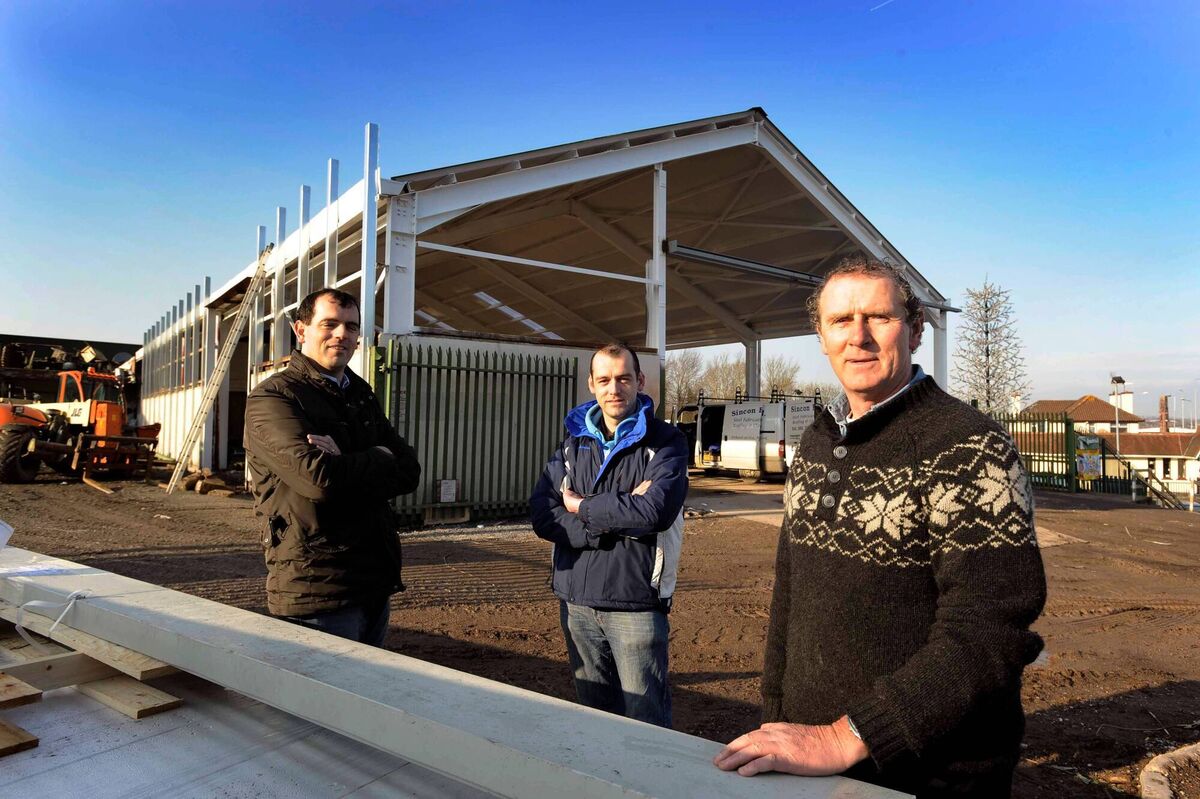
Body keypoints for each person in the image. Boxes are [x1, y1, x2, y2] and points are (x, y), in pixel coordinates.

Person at [714, 255, 1046, 797]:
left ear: (915, 331)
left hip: (932, 774)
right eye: (840, 320)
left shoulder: (969, 448)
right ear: (820, 336)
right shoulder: (819, 442)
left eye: (879, 318)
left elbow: (989, 628)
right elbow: (791, 596)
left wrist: (849, 736)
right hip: (808, 761)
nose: (858, 337)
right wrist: (776, 716)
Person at [245, 288, 420, 646]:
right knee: (315, 700)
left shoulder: (360, 393)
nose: (342, 334)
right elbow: (318, 479)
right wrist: (378, 455)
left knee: (364, 695)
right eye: (329, 324)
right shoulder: (274, 398)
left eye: (351, 327)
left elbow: (409, 471)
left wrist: (348, 458)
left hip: (373, 581)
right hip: (316, 589)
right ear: (301, 330)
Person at [530, 343, 689, 728]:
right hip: (577, 600)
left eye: (623, 379)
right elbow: (541, 513)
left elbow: (653, 513)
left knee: (645, 720)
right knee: (594, 722)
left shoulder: (665, 442)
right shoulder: (573, 442)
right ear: (591, 384)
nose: (613, 389)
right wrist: (603, 524)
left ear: (640, 381)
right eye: (604, 380)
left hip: (634, 601)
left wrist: (581, 506)